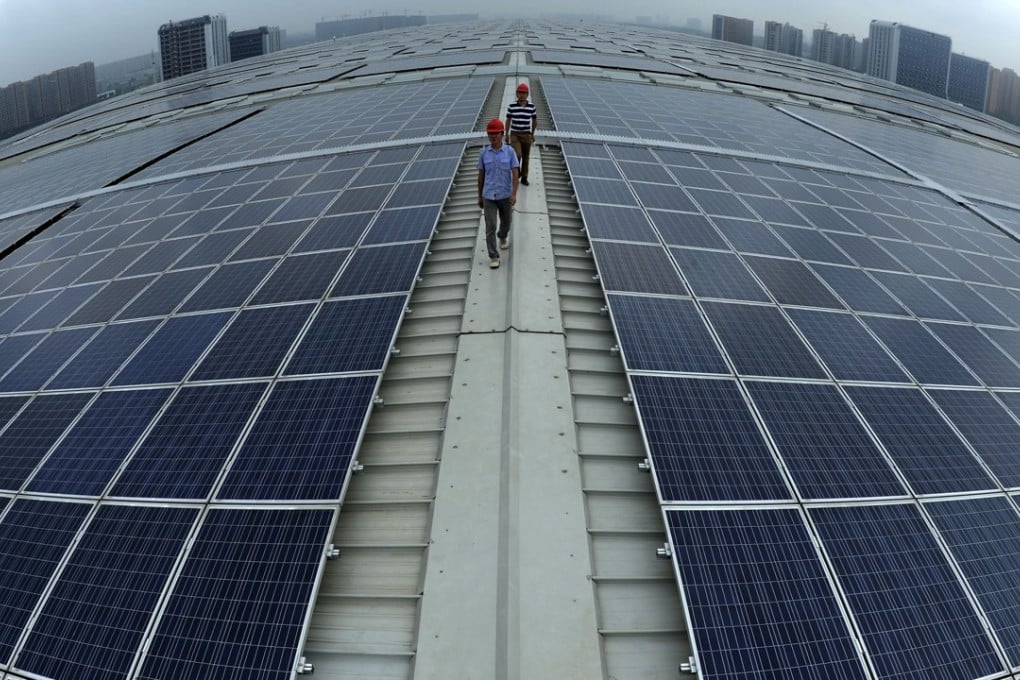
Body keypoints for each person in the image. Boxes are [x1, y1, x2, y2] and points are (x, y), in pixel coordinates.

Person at [477, 118, 519, 269]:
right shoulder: (483, 154)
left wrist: (514, 194)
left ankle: (502, 235)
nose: (493, 136)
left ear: (502, 134)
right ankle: (494, 256)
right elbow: (481, 176)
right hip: (489, 195)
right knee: (491, 226)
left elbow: (515, 173)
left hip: (505, 195)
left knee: (506, 222)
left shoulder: (510, 152)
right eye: (490, 134)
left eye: (496, 133)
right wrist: (479, 196)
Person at [505, 82, 537, 186]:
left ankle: (524, 177)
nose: (522, 95)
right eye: (520, 93)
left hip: (526, 134)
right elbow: (508, 120)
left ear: (527, 94)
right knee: (517, 154)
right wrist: (506, 134)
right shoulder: (512, 106)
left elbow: (534, 120)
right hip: (515, 134)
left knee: (526, 157)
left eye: (524, 93)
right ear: (517, 94)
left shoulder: (531, 107)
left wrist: (532, 134)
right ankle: (517, 173)